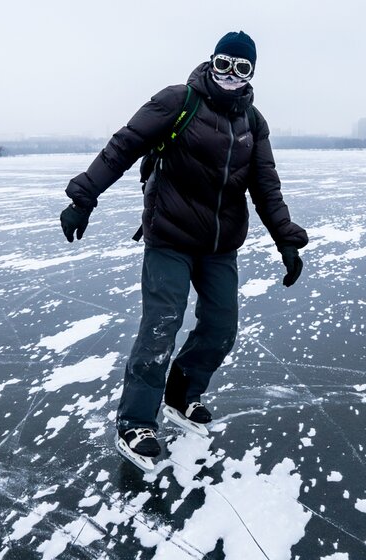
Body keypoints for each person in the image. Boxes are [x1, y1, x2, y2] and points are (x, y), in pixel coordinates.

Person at [59, 31, 308, 462]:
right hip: (170, 237)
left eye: (242, 68)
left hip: (220, 245)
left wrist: (285, 238)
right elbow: (123, 145)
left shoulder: (253, 122)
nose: (230, 74)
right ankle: (135, 421)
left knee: (221, 327)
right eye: (224, 63)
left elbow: (265, 185)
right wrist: (83, 197)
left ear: (252, 74)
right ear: (211, 61)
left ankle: (182, 394)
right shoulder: (178, 101)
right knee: (162, 324)